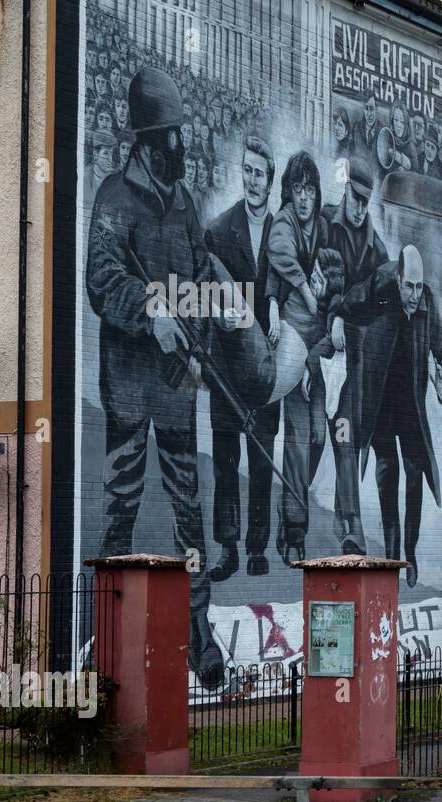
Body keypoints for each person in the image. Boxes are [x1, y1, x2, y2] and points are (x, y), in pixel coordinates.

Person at [85, 66, 222, 688]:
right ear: (145, 138)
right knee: (120, 509)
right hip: (129, 387)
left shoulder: (186, 201)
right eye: (168, 135)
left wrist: (199, 341)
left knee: (190, 514)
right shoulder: (114, 197)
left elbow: (199, 274)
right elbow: (101, 278)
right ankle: (105, 640)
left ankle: (198, 631)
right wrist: (151, 312)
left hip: (175, 387)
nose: (177, 145)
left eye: (178, 133)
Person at [327, 246, 442, 587]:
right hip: (381, 398)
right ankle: (392, 552)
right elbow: (352, 299)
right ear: (398, 278)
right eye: (409, 286)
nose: (414, 294)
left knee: (415, 471)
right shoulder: (381, 286)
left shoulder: (427, 303)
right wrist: (338, 317)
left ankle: (409, 554)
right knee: (388, 470)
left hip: (410, 403)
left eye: (418, 286)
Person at [203, 134, 278, 581]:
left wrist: (280, 324)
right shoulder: (217, 230)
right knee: (226, 460)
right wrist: (220, 317)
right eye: (247, 170)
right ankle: (227, 548)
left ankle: (256, 549)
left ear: (271, 181)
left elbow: (290, 298)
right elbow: (204, 292)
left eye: (260, 173)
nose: (252, 179)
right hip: (227, 367)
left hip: (268, 369)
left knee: (263, 459)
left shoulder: (282, 235)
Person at [263, 150, 330, 563]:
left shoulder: (323, 229)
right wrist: (281, 301)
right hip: (291, 340)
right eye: (298, 188)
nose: (304, 197)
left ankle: (290, 503)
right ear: (289, 190)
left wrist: (327, 288)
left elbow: (338, 278)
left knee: (317, 438)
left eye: (310, 189)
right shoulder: (284, 222)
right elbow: (276, 262)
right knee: (298, 445)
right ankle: (294, 532)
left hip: (319, 348)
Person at [321, 157, 388, 554]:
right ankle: (345, 523)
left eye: (366, 201)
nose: (360, 207)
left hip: (353, 357)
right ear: (345, 190)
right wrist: (333, 317)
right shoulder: (326, 224)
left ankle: (346, 520)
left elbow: (380, 302)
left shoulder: (375, 248)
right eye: (355, 197)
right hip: (320, 347)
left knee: (347, 437)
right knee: (322, 439)